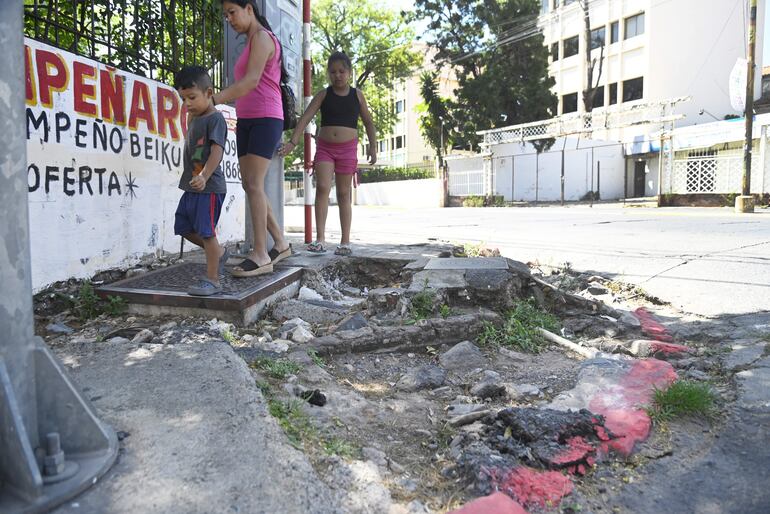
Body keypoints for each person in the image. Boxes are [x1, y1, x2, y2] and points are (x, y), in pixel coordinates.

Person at [213, 0, 291, 277]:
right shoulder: (251, 41)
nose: (229, 19)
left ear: (249, 8)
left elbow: (251, 82)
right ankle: (280, 244)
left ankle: (261, 254)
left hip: (266, 118)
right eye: (225, 15)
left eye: (232, 12)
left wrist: (214, 100)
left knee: (254, 184)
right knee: (250, 184)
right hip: (247, 119)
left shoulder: (262, 38)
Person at [279, 51, 377, 256]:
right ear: (328, 74)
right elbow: (305, 118)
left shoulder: (357, 95)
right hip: (325, 148)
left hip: (348, 149)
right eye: (333, 72)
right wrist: (292, 142)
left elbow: (368, 122)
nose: (337, 75)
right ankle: (320, 239)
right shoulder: (324, 94)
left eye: (342, 71)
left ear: (349, 73)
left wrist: (373, 146)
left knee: (343, 193)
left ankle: (345, 242)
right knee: (322, 187)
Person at [173, 66, 230, 296]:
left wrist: (204, 175)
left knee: (207, 232)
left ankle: (213, 279)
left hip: (209, 187)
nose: (187, 103)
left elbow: (217, 150)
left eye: (192, 97)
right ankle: (218, 252)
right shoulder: (194, 117)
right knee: (183, 226)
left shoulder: (215, 119)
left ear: (209, 93)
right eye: (183, 98)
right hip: (192, 186)